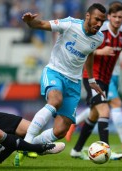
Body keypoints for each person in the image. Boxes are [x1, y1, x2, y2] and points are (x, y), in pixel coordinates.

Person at [13, 3, 107, 166]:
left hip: (74, 83)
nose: (99, 24)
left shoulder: (99, 38)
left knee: (61, 130)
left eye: (102, 21)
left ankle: (31, 144)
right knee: (55, 101)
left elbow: (89, 55)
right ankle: (26, 144)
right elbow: (41, 24)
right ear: (87, 16)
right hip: (55, 72)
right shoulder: (70, 24)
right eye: (97, 19)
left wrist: (91, 80)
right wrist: (30, 22)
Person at [69, 2, 122, 160]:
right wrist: (101, 51)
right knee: (105, 111)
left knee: (94, 116)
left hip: (106, 80)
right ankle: (105, 151)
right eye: (114, 16)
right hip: (92, 78)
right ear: (108, 17)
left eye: (120, 17)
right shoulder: (99, 33)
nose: (117, 19)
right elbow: (84, 49)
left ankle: (76, 150)